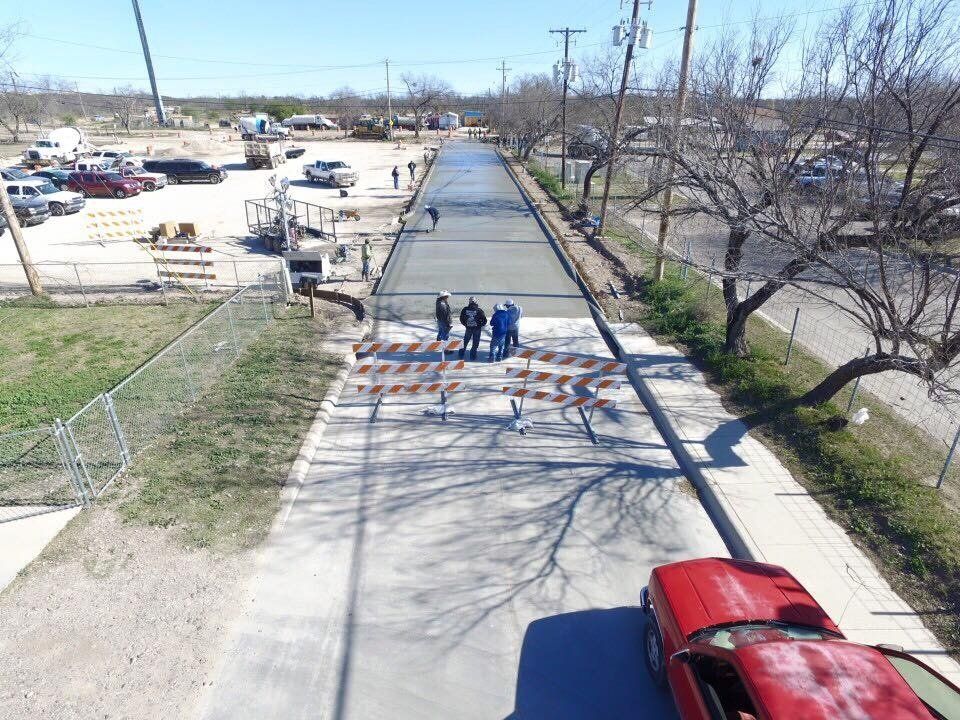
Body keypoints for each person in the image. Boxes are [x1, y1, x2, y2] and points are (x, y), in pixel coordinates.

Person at [458, 297, 487, 361]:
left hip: (468, 328)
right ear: (476, 302)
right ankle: (473, 355)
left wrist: (465, 324)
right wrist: (480, 325)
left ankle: (461, 353)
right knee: (475, 342)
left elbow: (461, 318)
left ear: (469, 302)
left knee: (465, 341)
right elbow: (484, 320)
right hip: (477, 329)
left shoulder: (465, 309)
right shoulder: (479, 310)